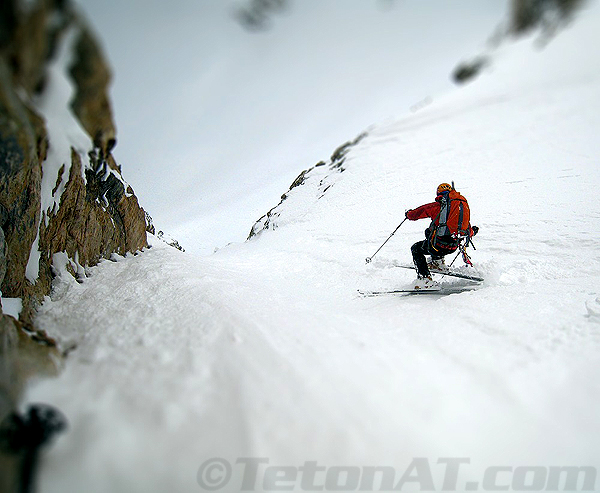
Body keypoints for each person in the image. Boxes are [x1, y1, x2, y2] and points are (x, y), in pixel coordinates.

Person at [405, 183, 478, 289]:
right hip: (453, 246)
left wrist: (409, 214)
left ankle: (425, 279)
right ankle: (438, 263)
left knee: (416, 248)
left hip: (437, 246)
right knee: (430, 233)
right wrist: (473, 231)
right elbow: (467, 230)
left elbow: (418, 212)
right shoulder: (457, 210)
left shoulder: (437, 207)